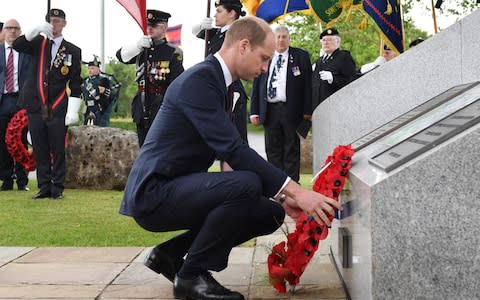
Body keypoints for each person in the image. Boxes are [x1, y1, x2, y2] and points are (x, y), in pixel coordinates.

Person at [119, 16, 341, 300]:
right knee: (245, 184)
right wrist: (298, 191)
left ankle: (171, 255)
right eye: (263, 58)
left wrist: (284, 199)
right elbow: (234, 150)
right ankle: (190, 278)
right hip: (153, 193)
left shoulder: (222, 83)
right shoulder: (200, 80)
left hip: (176, 186)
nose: (265, 67)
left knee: (269, 212)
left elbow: (234, 151)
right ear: (244, 46)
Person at [13, 8, 82, 200]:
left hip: (58, 106)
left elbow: (76, 83)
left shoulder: (73, 50)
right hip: (35, 104)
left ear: (65, 24)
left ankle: (57, 187)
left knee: (58, 148)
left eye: (58, 21)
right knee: (40, 147)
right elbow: (17, 44)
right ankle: (44, 186)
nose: (55, 24)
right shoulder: (37, 44)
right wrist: (35, 29)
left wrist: (73, 110)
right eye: (51, 21)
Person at [250, 26, 312, 182]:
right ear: (273, 39)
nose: (281, 40)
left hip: (291, 110)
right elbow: (257, 84)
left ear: (289, 38)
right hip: (270, 109)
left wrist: (307, 110)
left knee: (291, 148)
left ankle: (293, 186)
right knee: (272, 149)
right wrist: (254, 111)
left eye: (284, 36)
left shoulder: (300, 56)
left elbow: (308, 85)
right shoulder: (264, 56)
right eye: (278, 37)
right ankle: (276, 185)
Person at [116, 9, 184, 147]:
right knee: (143, 148)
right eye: (148, 25)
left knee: (159, 148)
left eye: (154, 25)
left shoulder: (172, 52)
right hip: (141, 107)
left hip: (161, 106)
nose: (149, 29)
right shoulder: (141, 49)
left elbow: (176, 84)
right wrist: (137, 46)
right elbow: (120, 56)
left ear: (164, 27)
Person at [192, 0, 249, 142]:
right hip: (216, 88)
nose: (214, 15)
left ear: (231, 13)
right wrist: (201, 25)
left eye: (219, 11)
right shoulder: (218, 33)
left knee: (234, 141)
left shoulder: (239, 35)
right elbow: (195, 31)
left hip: (231, 91)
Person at [0, 19, 30, 191]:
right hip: (2, 101)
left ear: (20, 32)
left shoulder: (27, 52)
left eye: (15, 28)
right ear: (3, 31)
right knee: (2, 141)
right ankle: (6, 179)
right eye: (9, 28)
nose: (12, 31)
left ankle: (22, 180)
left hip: (21, 101)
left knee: (21, 140)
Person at [312, 28, 356, 110]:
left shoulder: (344, 57)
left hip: (336, 107)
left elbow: (352, 81)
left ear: (338, 42)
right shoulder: (320, 60)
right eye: (324, 40)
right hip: (319, 108)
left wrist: (333, 78)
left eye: (330, 40)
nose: (326, 42)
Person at [81, 56, 112, 126]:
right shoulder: (85, 81)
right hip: (88, 109)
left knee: (101, 130)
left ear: (98, 69)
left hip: (100, 110)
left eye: (92, 68)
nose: (90, 70)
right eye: (88, 68)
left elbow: (108, 96)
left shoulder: (103, 80)